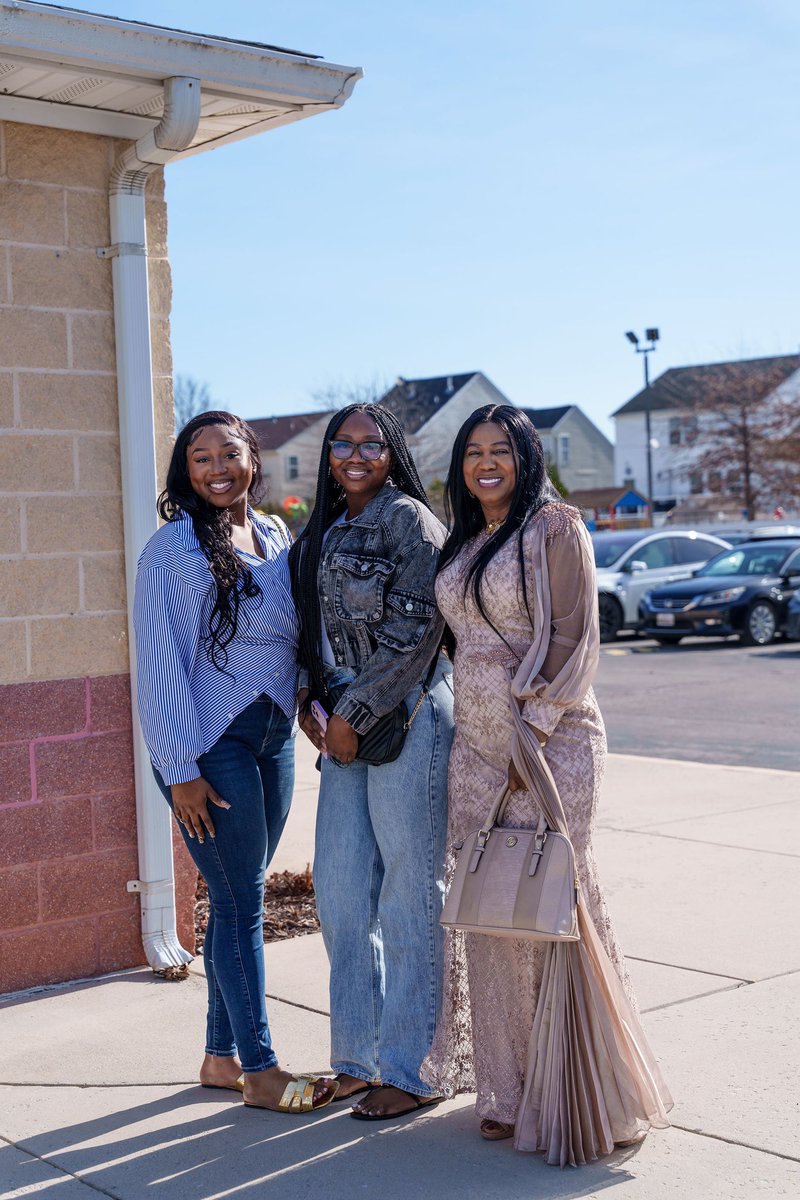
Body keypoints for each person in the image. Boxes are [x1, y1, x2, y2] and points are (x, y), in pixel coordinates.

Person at [423, 404, 668, 1151]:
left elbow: (574, 640)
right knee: (495, 913)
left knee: (555, 903)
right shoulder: (466, 539)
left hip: (549, 744)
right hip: (475, 749)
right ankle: (506, 1087)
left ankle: (582, 1090)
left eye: (502, 449)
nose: (486, 462)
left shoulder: (555, 527)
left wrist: (530, 737)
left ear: (527, 457)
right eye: (473, 451)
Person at [134, 411, 338, 1113]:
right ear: (184, 472)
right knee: (241, 902)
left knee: (231, 899)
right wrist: (179, 766)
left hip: (273, 734)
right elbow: (158, 663)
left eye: (229, 453)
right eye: (199, 458)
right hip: (205, 745)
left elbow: (293, 637)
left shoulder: (276, 534)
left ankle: (220, 1058)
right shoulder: (171, 549)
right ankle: (261, 1067)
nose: (216, 468)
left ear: (254, 460)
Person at [289, 403, 454, 1121]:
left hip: (404, 721)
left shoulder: (409, 522)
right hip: (341, 734)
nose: (355, 455)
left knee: (410, 896)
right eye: (342, 444)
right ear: (328, 456)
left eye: (370, 444)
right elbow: (305, 628)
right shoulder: (318, 530)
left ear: (392, 454)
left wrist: (355, 717)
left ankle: (413, 1069)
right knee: (344, 896)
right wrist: (307, 700)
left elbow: (416, 629)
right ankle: (355, 1060)